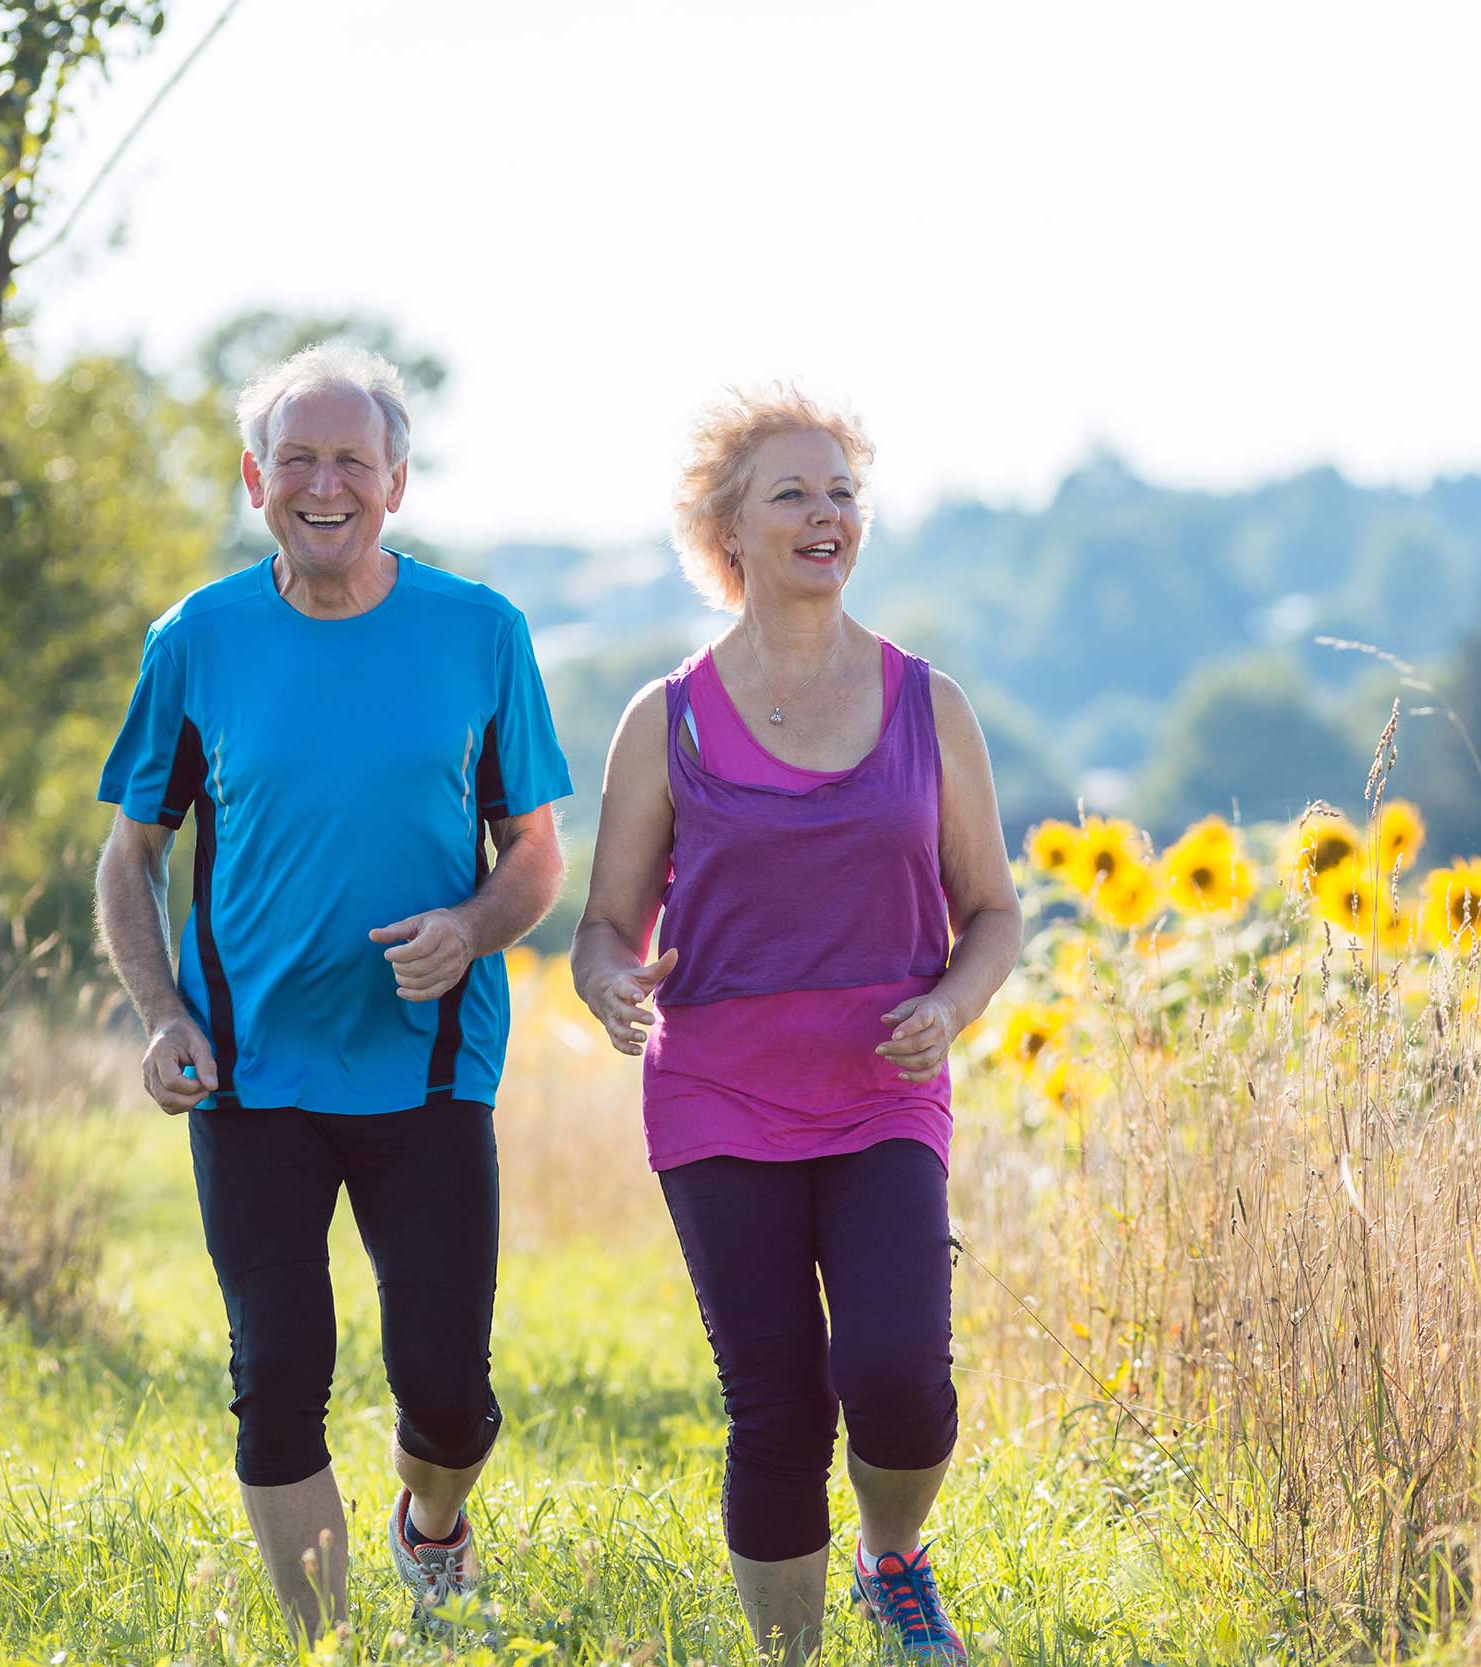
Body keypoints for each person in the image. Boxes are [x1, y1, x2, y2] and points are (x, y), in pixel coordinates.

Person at [93, 343, 572, 1643]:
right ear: (256, 478)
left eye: (350, 460)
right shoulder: (196, 641)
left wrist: (473, 925)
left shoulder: (482, 632)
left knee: (450, 1392)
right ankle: (329, 1641)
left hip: (425, 1066)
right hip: (249, 1073)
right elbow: (131, 852)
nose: (323, 484)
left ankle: (435, 1523)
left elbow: (536, 847)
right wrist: (164, 1013)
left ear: (396, 481)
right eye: (295, 459)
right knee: (277, 1376)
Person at [572, 387, 1021, 1663]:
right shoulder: (666, 718)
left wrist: (949, 1001)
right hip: (718, 1092)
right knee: (774, 1405)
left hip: (882, 1082)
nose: (826, 515)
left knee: (897, 1379)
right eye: (793, 494)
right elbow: (603, 925)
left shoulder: (929, 704)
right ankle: (792, 1655)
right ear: (729, 530)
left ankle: (892, 1555)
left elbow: (993, 909)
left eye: (841, 493)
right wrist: (609, 981)